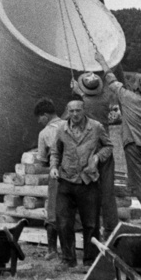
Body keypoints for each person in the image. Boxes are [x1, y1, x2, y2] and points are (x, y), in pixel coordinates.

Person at [49, 98, 111, 266]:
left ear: (84, 111)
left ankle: (90, 260)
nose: (74, 114)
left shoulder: (96, 127)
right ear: (67, 112)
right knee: (63, 222)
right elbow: (55, 152)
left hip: (88, 181)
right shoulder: (62, 129)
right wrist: (54, 167)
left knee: (91, 223)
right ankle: (68, 259)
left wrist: (98, 157)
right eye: (71, 111)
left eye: (78, 111)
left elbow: (108, 146)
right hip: (66, 180)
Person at [104, 71, 141, 231]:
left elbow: (112, 81)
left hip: (133, 144)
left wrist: (103, 62)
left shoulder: (128, 97)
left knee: (139, 181)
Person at [76, 71, 120, 238]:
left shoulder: (82, 103)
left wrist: (77, 92)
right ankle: (111, 228)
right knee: (107, 190)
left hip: (89, 149)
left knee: (85, 187)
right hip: (105, 147)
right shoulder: (104, 99)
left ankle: (86, 227)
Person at [31, 96, 64, 257]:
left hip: (56, 172)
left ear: (45, 115)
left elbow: (43, 161)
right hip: (77, 174)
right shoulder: (68, 125)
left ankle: (52, 250)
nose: (40, 122)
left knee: (52, 210)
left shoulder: (45, 133)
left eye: (40, 119)